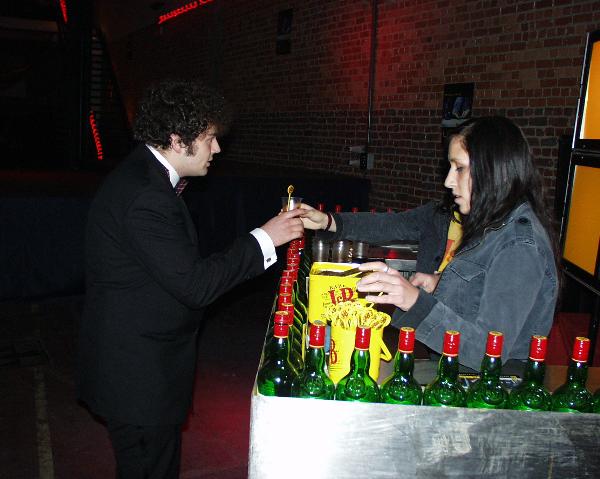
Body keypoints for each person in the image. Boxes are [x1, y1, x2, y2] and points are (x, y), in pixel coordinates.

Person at [76, 79, 304, 478]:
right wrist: (266, 238)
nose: (217, 149)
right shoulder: (145, 194)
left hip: (136, 363)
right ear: (177, 139)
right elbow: (196, 285)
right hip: (136, 376)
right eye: (210, 138)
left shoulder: (144, 176)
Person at [300, 116, 558, 371]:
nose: (448, 181)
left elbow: (487, 352)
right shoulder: (493, 224)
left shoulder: (519, 245)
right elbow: (482, 289)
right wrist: (441, 284)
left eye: (459, 168)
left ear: (494, 170)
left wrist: (414, 301)